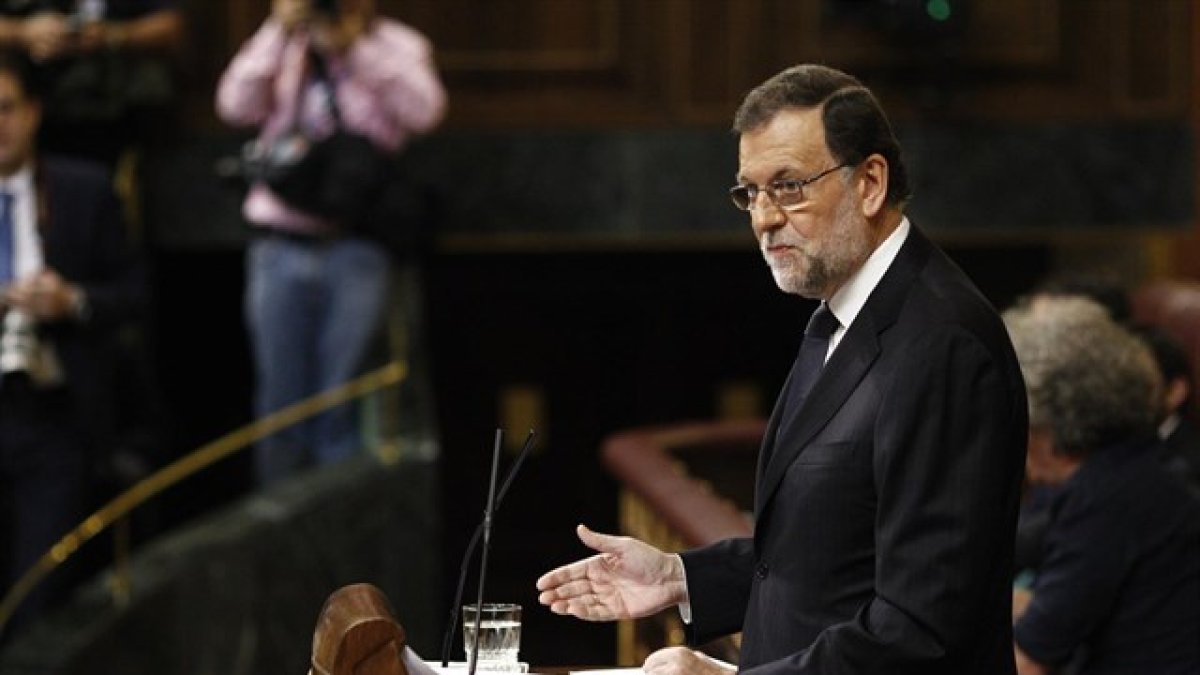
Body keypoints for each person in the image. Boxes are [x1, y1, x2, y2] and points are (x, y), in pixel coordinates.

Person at [537, 64, 1029, 674]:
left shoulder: (942, 343)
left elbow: (921, 628)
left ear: (870, 183)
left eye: (789, 186)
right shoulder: (840, 313)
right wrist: (679, 577)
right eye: (750, 192)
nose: (764, 217)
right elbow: (830, 547)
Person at [216, 0, 445, 487]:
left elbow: (425, 112)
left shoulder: (395, 45)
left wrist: (355, 48)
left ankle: (340, 527)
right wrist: (278, 31)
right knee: (279, 408)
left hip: (358, 247)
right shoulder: (283, 44)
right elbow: (234, 106)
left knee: (344, 404)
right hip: (280, 244)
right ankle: (279, 524)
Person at [0, 50, 145, 636]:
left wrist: (72, 301)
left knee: (38, 596)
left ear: (33, 112)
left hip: (51, 416)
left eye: (6, 108)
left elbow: (135, 294)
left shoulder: (83, 189)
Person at [1004, 296, 1200, 675]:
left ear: (1051, 424)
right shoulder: (1137, 466)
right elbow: (1057, 602)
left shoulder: (1103, 499)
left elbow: (1028, 663)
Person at [0, 0, 185, 169]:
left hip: (116, 112)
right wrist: (22, 32)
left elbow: (174, 25)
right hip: (32, 107)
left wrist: (112, 35)